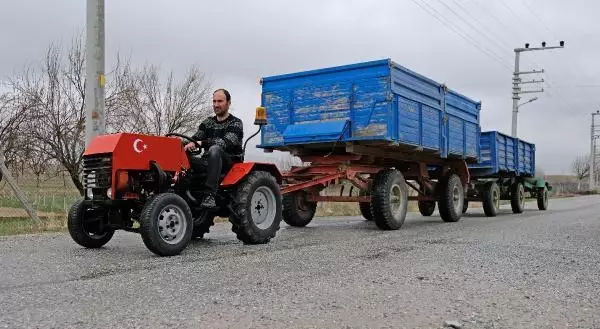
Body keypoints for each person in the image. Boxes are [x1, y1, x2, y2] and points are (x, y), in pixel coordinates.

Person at [184, 88, 244, 208]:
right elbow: (195, 138)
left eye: (220, 101)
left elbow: (225, 142)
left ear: (228, 103)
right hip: (209, 161)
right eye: (214, 101)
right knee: (184, 156)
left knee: (215, 149)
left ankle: (209, 195)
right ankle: (180, 192)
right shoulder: (207, 123)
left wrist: (201, 143)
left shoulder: (235, 123)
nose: (216, 105)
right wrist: (183, 144)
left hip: (229, 163)